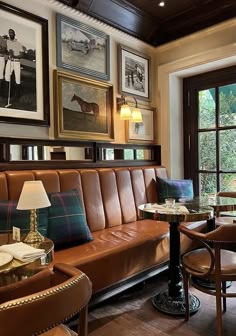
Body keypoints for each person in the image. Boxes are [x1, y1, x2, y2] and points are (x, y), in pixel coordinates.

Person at [5, 28, 24, 101]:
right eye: (9, 33)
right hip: (9, 61)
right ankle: (8, 94)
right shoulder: (7, 42)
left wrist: (14, 56)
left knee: (17, 78)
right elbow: (6, 51)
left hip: (16, 62)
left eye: (12, 33)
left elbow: (22, 55)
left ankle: (17, 95)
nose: (10, 34)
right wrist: (8, 53)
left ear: (14, 34)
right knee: (7, 76)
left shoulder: (18, 43)